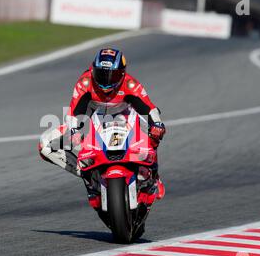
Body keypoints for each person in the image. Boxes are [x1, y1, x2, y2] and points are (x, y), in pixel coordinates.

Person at [39, 48, 166, 209]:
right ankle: (88, 174)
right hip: (92, 116)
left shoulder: (130, 84)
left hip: (125, 115)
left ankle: (153, 175)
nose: (106, 81)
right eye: (101, 74)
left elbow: (149, 107)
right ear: (93, 69)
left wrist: (157, 124)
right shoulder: (85, 82)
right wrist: (74, 130)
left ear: (121, 74)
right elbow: (74, 111)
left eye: (111, 75)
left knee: (155, 131)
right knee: (45, 145)